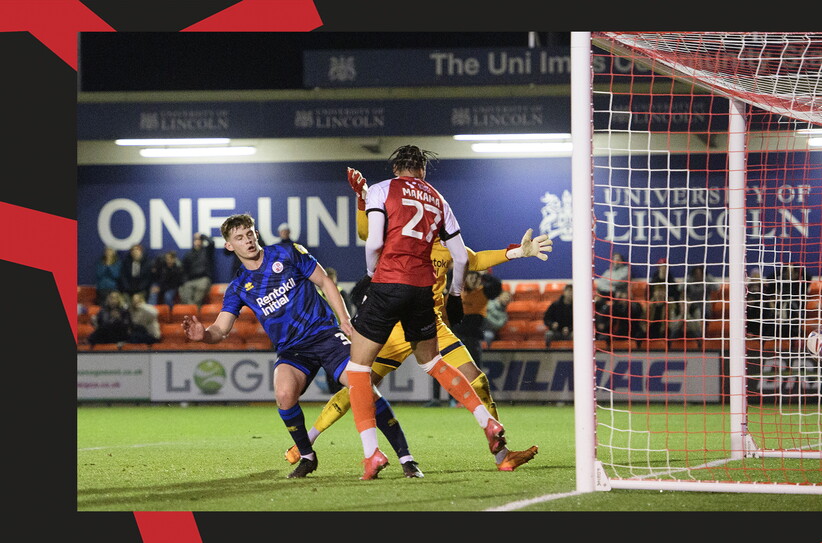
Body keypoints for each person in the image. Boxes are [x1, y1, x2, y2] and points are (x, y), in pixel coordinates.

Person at [286, 160, 549, 473]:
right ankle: (307, 442)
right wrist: (361, 200)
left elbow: (474, 260)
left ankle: (501, 455)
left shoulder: (443, 243)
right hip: (394, 326)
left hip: (430, 323)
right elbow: (365, 231)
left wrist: (518, 252)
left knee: (476, 379)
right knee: (360, 386)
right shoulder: (398, 235)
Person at [182, 213, 418, 479]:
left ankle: (405, 457)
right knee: (284, 395)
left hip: (324, 334)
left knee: (361, 386)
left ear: (256, 234)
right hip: (292, 349)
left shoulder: (286, 253)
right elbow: (221, 330)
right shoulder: (238, 287)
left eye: (249, 234)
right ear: (229, 246)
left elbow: (325, 281)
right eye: (239, 237)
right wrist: (203, 335)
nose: (247, 240)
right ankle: (307, 456)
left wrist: (343, 320)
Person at [647, 258, 682, 338]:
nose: (663, 269)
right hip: (655, 306)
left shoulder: (672, 283)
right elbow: (649, 296)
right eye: (662, 267)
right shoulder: (653, 282)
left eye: (665, 267)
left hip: (668, 307)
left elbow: (675, 298)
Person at [179, 232, 216, 306]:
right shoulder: (188, 254)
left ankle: (195, 310)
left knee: (197, 299)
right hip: (190, 280)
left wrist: (202, 236)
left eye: (199, 240)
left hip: (203, 279)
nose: (197, 241)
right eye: (196, 240)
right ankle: (191, 310)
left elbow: (211, 242)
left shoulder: (206, 251)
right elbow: (184, 269)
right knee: (184, 293)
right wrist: (185, 281)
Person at [681, 264, 716, 337]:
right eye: (696, 274)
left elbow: (717, 287)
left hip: (704, 307)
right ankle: (695, 335)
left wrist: (707, 277)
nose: (698, 276)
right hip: (692, 306)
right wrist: (688, 279)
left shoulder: (706, 281)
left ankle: (704, 334)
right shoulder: (690, 281)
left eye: (700, 274)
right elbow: (679, 288)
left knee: (705, 313)